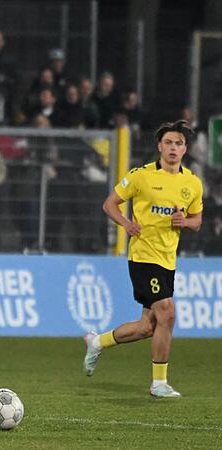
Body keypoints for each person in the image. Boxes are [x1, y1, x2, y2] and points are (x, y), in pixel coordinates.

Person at [83, 120, 203, 398]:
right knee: (168, 312)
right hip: (143, 256)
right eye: (169, 143)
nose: (174, 148)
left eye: (179, 143)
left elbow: (197, 221)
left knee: (148, 327)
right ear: (160, 146)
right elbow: (110, 203)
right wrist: (126, 224)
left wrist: (184, 222)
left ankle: (97, 342)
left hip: (168, 260)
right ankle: (158, 383)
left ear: (185, 149)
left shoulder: (192, 183)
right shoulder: (141, 176)